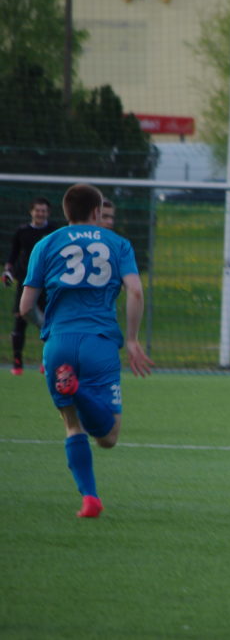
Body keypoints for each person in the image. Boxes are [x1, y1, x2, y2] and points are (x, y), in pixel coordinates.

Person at [20, 183, 154, 518]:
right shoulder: (118, 243)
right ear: (97, 212)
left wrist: (49, 330)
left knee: (72, 424)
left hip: (59, 344)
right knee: (108, 436)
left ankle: (90, 498)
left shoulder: (45, 243)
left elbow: (25, 307)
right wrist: (133, 339)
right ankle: (77, 389)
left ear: (65, 212)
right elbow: (136, 292)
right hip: (99, 342)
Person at [5, 197, 61, 375]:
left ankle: (47, 360)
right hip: (25, 282)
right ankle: (17, 362)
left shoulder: (53, 231)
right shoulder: (22, 231)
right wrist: (8, 272)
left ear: (48, 213)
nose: (40, 214)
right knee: (20, 319)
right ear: (31, 212)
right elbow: (13, 256)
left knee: (47, 322)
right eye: (38, 210)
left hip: (47, 283)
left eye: (44, 211)